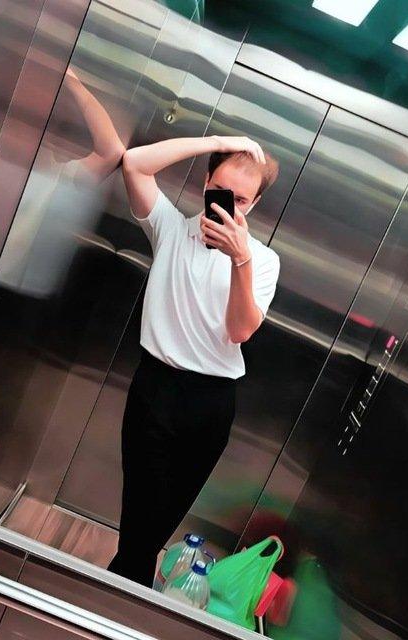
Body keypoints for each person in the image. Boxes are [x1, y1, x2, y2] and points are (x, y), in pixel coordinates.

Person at [107, 135, 281, 587]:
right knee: (139, 523)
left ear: (255, 204)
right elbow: (134, 163)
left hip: (210, 404)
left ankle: (113, 593)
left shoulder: (263, 262)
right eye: (220, 191)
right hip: (155, 389)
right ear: (205, 183)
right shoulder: (171, 227)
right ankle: (116, 599)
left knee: (157, 525)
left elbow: (239, 331)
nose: (228, 205)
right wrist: (217, 140)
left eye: (241, 200)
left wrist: (240, 260)